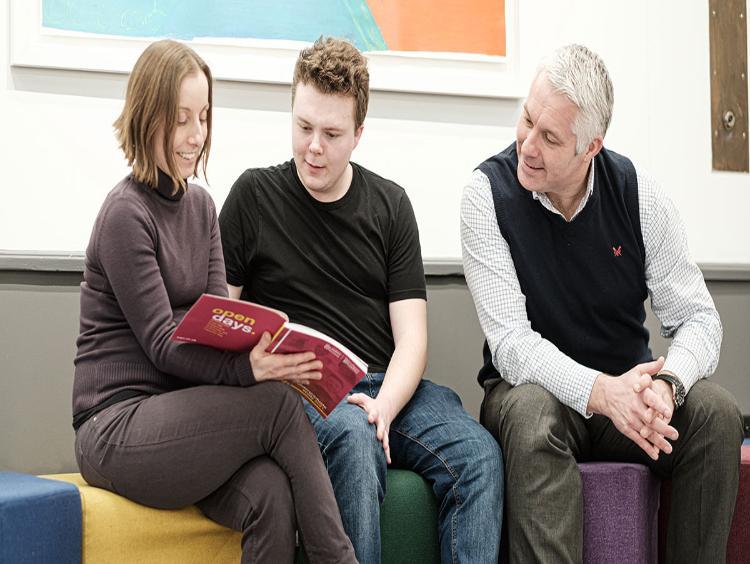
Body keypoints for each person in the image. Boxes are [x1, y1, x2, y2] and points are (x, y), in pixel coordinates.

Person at [219, 37, 503, 564]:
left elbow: (412, 340)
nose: (314, 148)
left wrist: (385, 408)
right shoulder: (252, 197)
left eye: (331, 134)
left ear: (359, 135)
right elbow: (222, 318)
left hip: (384, 385)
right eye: (304, 128)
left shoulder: (390, 205)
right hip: (301, 389)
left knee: (478, 456)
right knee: (352, 437)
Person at [72, 39, 356, 564]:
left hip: (178, 420)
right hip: (115, 428)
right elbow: (162, 343)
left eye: (203, 116)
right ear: (147, 115)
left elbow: (215, 323)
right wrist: (251, 370)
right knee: (274, 403)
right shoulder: (124, 214)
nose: (196, 134)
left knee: (269, 492)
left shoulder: (201, 206)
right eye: (181, 118)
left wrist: (265, 347)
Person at [461, 43, 744, 564]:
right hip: (530, 392)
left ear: (591, 146)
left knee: (718, 416)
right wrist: (600, 392)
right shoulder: (486, 195)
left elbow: (701, 318)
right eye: (527, 120)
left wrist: (667, 384)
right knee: (532, 414)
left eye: (549, 138)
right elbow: (512, 346)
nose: (527, 145)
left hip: (627, 399)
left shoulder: (638, 195)